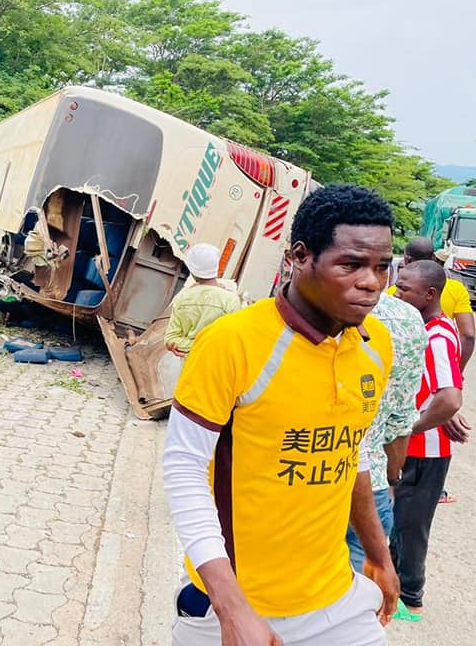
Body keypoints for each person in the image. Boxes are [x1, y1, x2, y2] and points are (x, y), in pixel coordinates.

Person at [163, 184, 399, 645]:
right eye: (351, 264)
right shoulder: (232, 343)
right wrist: (232, 610)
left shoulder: (375, 346)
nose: (371, 282)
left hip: (337, 601)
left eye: (381, 267)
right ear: (299, 256)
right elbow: (183, 467)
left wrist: (379, 555)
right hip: (235, 609)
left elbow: (353, 450)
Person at [390, 260, 466, 618]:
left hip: (424, 451)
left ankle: (410, 596)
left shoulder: (435, 336)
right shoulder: (430, 327)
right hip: (420, 447)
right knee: (399, 518)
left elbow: (449, 397)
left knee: (411, 523)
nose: (397, 292)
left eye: (405, 288)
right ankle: (390, 586)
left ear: (429, 294)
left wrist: (409, 428)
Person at [345, 293, 427, 572]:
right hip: (374, 483)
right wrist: (392, 476)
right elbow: (400, 423)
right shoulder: (407, 318)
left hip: (306, 481)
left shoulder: (307, 307)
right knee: (357, 595)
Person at [392, 237, 476, 372]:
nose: (398, 293)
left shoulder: (394, 292)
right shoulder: (456, 289)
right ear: (433, 256)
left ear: (407, 259)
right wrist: (456, 372)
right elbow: (468, 335)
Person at [165, 242, 242, 357]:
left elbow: (170, 339)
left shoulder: (182, 298)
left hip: (189, 367)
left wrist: (190, 346)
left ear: (192, 270)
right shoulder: (231, 300)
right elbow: (232, 343)